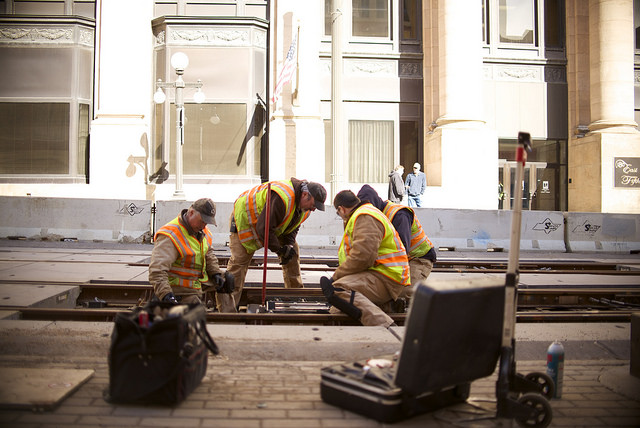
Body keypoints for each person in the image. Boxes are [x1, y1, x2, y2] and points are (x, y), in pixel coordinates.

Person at [219, 178, 327, 312]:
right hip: (245, 222)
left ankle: (295, 297)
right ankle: (227, 311)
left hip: (270, 224)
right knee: (239, 263)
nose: (314, 209)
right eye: (314, 204)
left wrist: (287, 245)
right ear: (305, 194)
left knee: (293, 252)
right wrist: (279, 249)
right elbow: (263, 228)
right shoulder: (283, 198)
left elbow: (293, 227)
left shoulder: (305, 208)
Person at [320, 190, 410, 328]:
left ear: (341, 209)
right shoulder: (364, 214)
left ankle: (386, 328)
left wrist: (335, 278)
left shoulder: (365, 216)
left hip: (386, 276)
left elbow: (363, 257)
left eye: (339, 214)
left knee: (339, 289)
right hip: (382, 273)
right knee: (338, 308)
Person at [149, 198, 233, 305]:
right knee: (196, 311)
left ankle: (228, 318)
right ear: (191, 212)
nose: (204, 226)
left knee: (227, 281)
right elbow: (157, 271)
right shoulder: (171, 235)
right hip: (179, 288)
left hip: (195, 282)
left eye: (206, 222)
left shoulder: (201, 230)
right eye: (202, 221)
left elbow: (208, 254)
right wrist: (166, 295)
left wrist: (215, 273)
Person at [357, 185, 437, 297]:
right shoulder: (378, 216)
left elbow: (402, 248)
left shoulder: (398, 214)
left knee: (404, 295)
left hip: (419, 259)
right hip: (400, 260)